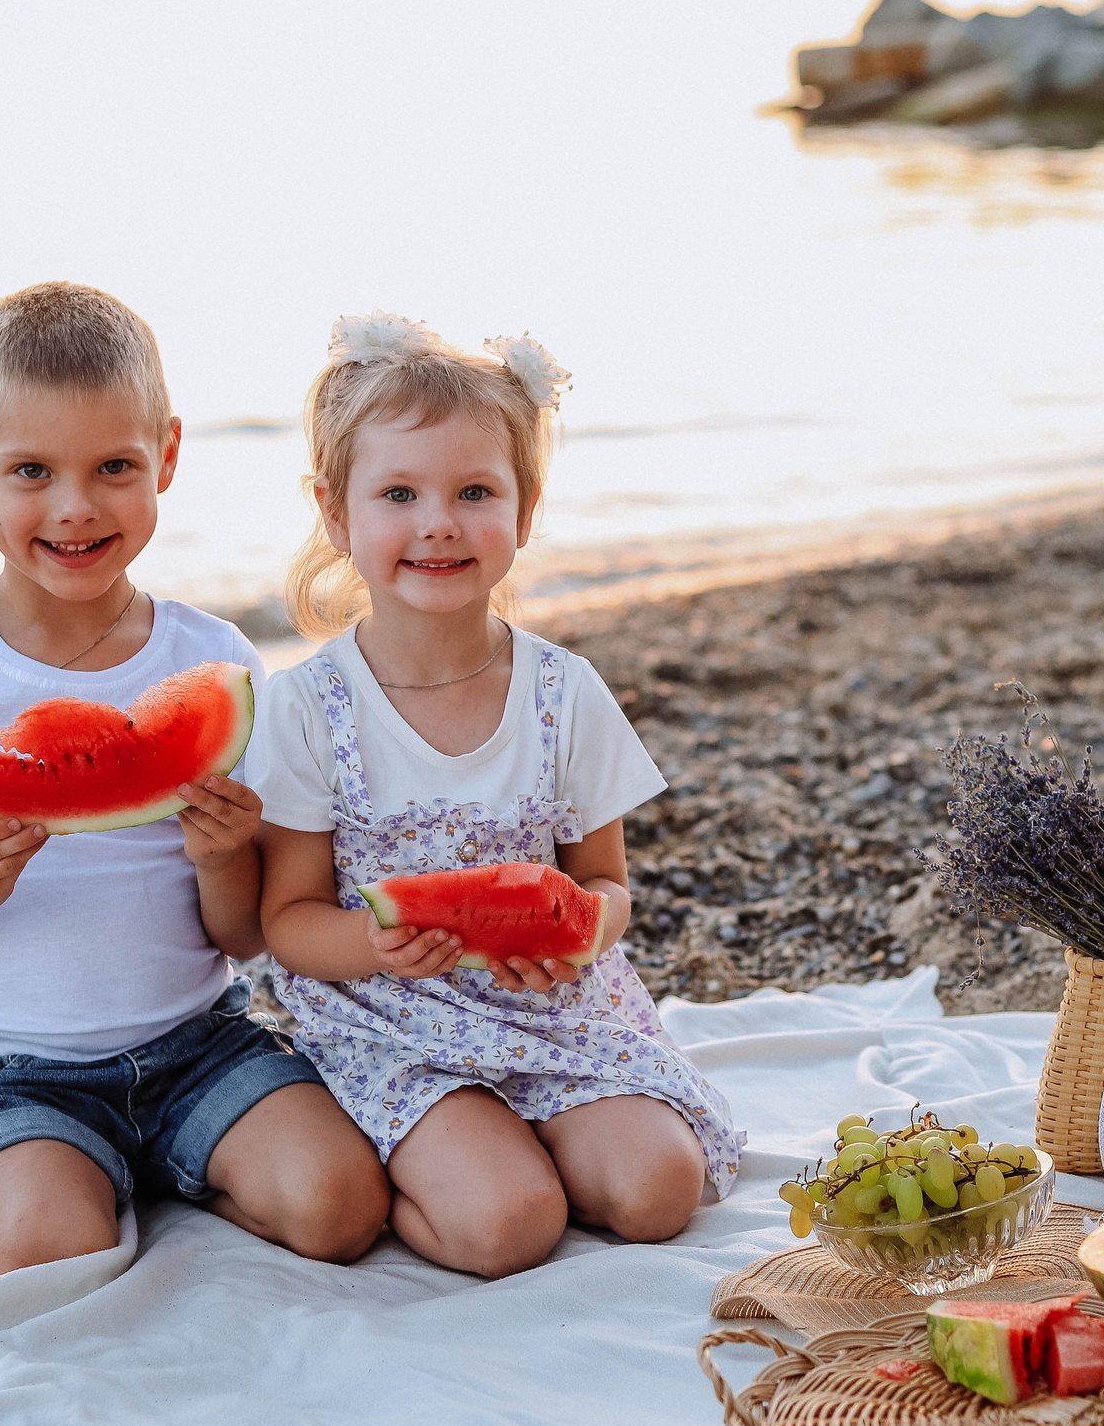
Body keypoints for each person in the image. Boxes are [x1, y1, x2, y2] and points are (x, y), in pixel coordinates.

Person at [0, 282, 389, 1285]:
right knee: (53, 1255)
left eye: (114, 468)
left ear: (167, 457)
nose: (75, 507)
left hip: (197, 1047)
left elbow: (242, 934)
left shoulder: (214, 661)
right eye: (31, 471)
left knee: (341, 1209)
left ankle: (153, 1170)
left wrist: (224, 858)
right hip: (6, 1075)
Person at [248, 315, 742, 1278]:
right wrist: (376, 944)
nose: (438, 521)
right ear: (337, 513)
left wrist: (582, 935)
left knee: (658, 1193)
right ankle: (419, 1181)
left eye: (475, 491)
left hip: (554, 1008)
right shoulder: (309, 705)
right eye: (399, 493)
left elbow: (605, 884)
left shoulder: (565, 690)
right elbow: (287, 919)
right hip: (392, 1015)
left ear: (524, 508)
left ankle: (531, 1140)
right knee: (511, 1226)